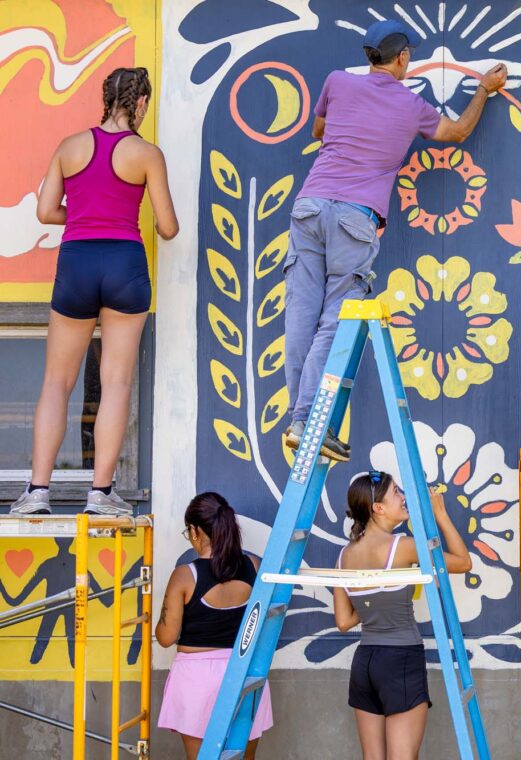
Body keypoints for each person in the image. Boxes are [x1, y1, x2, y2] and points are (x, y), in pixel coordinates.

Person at [284, 20, 508, 462]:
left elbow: (319, 130)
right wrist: (484, 89)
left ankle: (299, 418)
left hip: (309, 206)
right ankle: (308, 422)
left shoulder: (336, 82)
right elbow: (458, 133)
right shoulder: (410, 105)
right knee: (334, 321)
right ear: (402, 58)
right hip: (355, 217)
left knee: (300, 318)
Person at [9, 67, 178, 516]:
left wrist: (85, 213)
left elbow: (47, 211)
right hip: (125, 263)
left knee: (56, 381)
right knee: (116, 382)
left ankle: (37, 492)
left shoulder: (69, 147)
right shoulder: (147, 153)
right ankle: (101, 493)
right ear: (140, 103)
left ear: (107, 100)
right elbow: (167, 227)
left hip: (77, 262)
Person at [333, 472, 471, 760]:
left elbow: (344, 622)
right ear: (378, 508)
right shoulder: (403, 546)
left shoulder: (345, 555)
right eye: (396, 492)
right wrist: (440, 514)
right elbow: (463, 562)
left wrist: (375, 600)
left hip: (365, 663)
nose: (403, 497)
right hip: (401, 661)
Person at [156, 493, 272, 758]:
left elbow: (166, 636)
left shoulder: (185, 575)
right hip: (245, 672)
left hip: (196, 678)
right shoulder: (254, 566)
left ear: (195, 531)